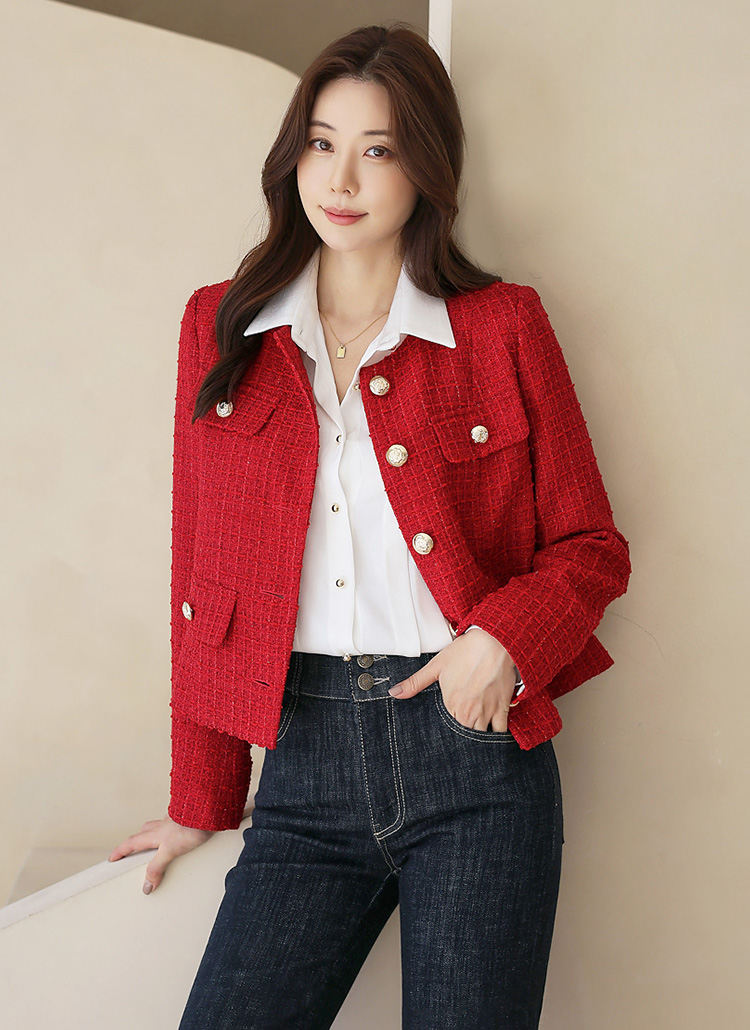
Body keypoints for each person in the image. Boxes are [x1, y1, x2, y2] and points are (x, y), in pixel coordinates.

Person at [109, 22, 631, 1029]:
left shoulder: (500, 326)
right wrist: (199, 799)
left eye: (377, 149)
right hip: (301, 762)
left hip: (475, 763)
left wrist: (500, 641)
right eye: (320, 142)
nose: (340, 178)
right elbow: (199, 574)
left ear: (425, 167)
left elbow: (591, 546)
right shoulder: (222, 328)